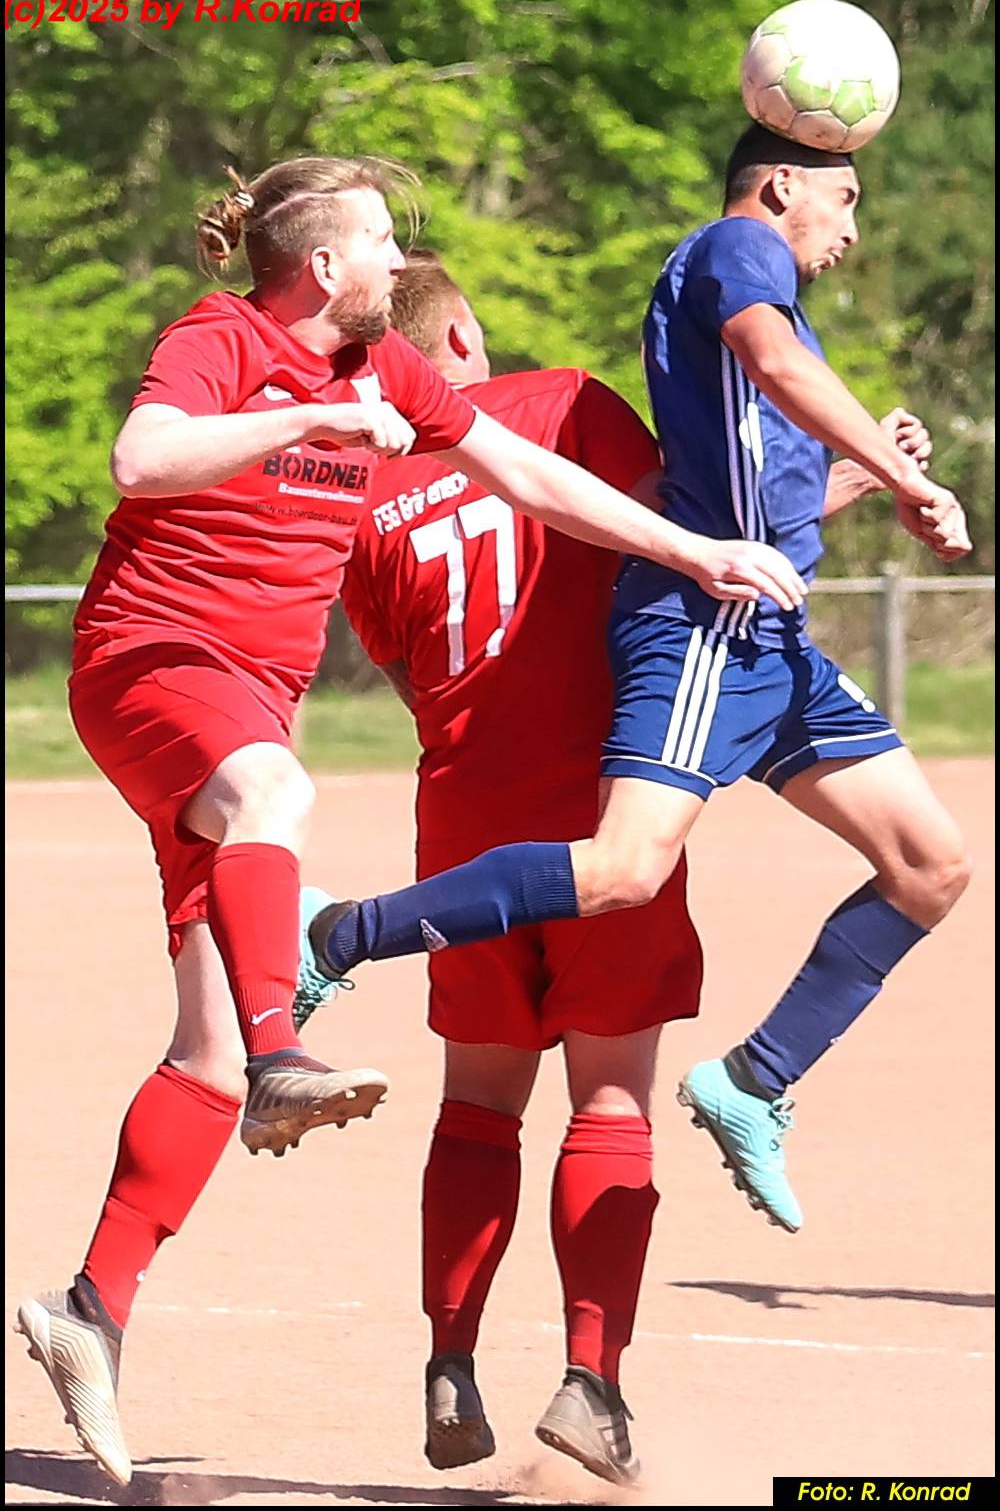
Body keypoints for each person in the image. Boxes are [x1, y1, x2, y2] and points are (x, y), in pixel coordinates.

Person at [16, 154, 805, 1489]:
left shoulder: (388, 368)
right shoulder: (225, 338)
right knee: (279, 800)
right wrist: (311, 419)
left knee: (203, 1051)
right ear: (324, 265)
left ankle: (89, 1308)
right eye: (382, 239)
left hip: (248, 708)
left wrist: (694, 551)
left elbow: (532, 479)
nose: (400, 258)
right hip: (156, 660)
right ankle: (287, 1053)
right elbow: (139, 458)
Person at [301, 125, 972, 1240]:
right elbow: (768, 371)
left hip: (766, 638)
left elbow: (695, 503)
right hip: (710, 632)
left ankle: (754, 1079)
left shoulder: (391, 487)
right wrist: (900, 475)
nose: (852, 228)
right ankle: (341, 933)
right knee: (621, 873)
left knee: (930, 865)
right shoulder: (735, 250)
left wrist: (850, 480)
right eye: (845, 197)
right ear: (782, 185)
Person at [308, 249, 704, 1486]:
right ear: (462, 337)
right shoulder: (563, 402)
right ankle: (591, 1383)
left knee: (478, 1107)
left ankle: (450, 1362)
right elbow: (672, 535)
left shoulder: (366, 492)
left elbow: (401, 668)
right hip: (602, 810)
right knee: (610, 1101)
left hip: (462, 828)